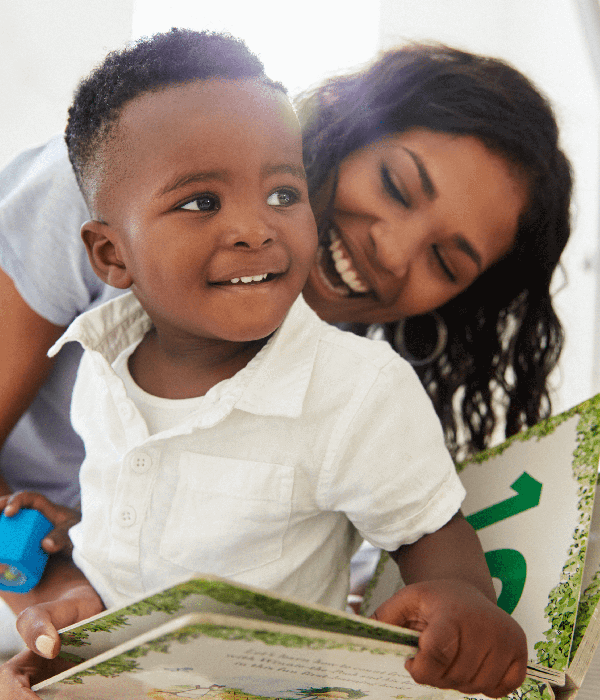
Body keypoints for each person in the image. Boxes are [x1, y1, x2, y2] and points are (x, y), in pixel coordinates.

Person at [0, 28, 528, 699]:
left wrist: (462, 601)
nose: (255, 226)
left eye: (282, 195)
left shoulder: (362, 391)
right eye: (201, 202)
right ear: (110, 256)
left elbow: (426, 531)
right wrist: (61, 593)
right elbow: (118, 529)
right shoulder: (98, 360)